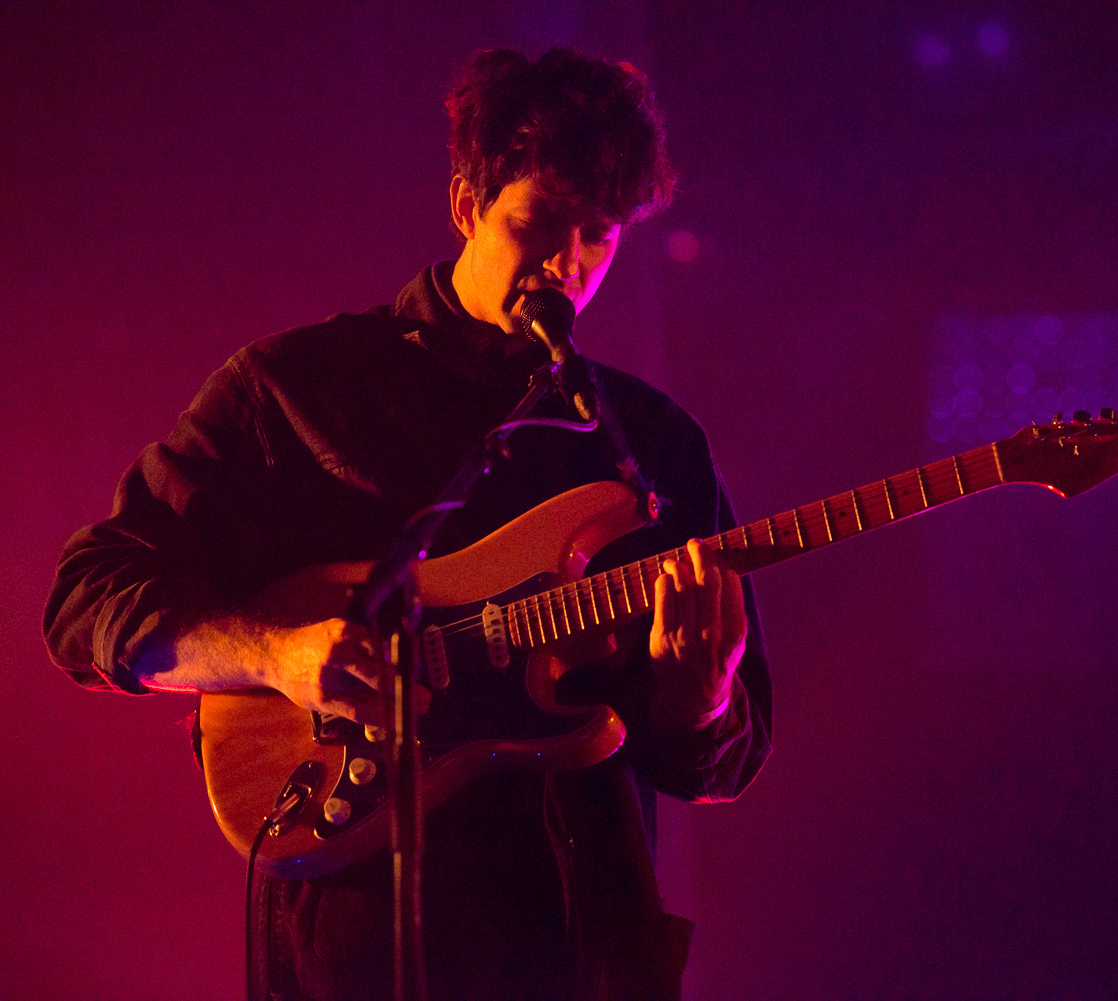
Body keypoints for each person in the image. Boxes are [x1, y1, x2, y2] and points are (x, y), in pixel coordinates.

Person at [44, 47, 772, 1001]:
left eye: (598, 234)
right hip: (352, 952)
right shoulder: (294, 393)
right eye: (538, 222)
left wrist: (701, 701)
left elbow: (725, 758)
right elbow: (88, 594)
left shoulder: (652, 444)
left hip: (584, 949)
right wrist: (276, 655)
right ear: (468, 203)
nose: (568, 264)